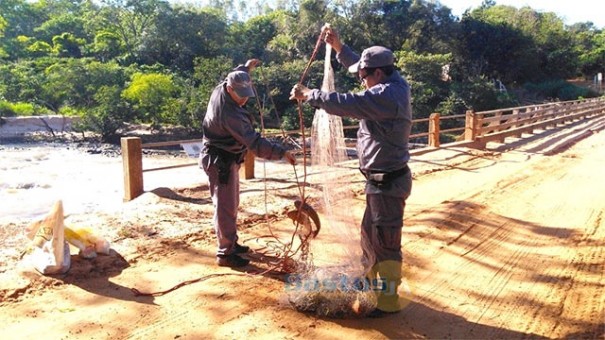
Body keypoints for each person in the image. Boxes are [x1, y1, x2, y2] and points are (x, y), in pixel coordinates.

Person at [289, 26, 412, 317]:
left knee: (386, 242)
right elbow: (359, 65)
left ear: (378, 75)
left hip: (388, 183)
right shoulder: (386, 80)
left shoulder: (387, 95)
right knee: (370, 236)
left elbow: (349, 103)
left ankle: (389, 298)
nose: (360, 80)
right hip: (379, 183)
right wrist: (339, 47)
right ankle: (371, 282)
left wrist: (310, 95)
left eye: (363, 77)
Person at [201, 59, 297, 268]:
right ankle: (225, 254)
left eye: (247, 95)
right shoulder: (230, 114)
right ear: (229, 89)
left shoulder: (221, 88)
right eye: (240, 96)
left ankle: (231, 243)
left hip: (227, 158)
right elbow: (254, 143)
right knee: (225, 207)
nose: (244, 100)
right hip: (220, 161)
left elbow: (234, 73)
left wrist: (245, 67)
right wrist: (282, 153)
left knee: (231, 204)